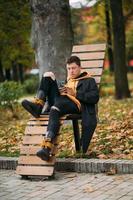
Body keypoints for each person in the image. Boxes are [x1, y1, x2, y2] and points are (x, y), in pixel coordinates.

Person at [22, 56, 99, 161]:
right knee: (48, 75)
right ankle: (38, 106)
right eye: (69, 68)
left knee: (55, 109)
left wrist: (75, 93)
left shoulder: (89, 80)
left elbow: (94, 98)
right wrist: (60, 91)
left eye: (74, 68)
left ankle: (47, 147)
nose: (71, 71)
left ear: (80, 67)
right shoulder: (68, 80)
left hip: (75, 105)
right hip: (62, 101)